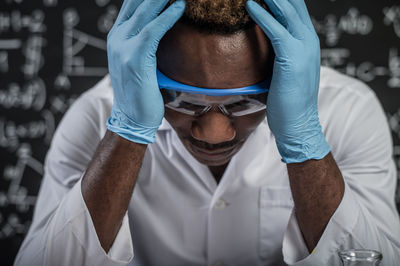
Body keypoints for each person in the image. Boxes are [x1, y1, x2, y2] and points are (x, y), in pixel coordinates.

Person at [15, 0, 400, 265]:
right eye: (181, 99)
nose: (213, 134)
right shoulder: (94, 117)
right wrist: (128, 132)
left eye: (243, 102)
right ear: (150, 75)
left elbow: (372, 258)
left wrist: (303, 140)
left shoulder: (348, 111)